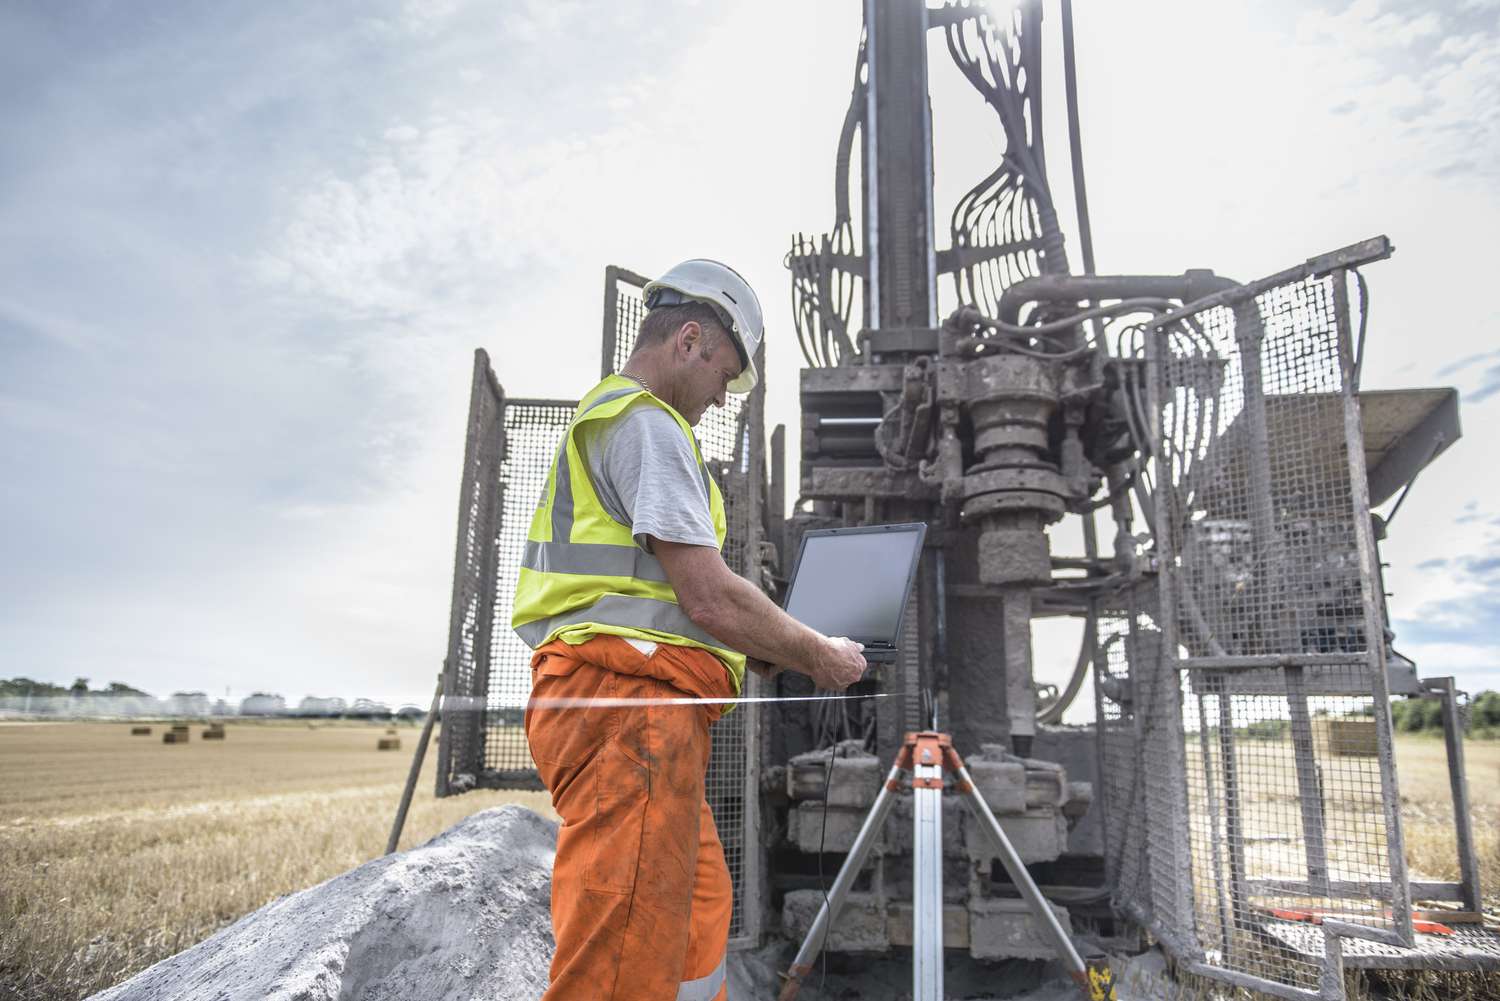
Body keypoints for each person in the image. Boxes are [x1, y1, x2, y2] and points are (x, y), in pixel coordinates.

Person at [512, 259, 868, 1000]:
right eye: (724, 376)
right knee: (618, 962)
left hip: (635, 710)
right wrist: (818, 652)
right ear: (691, 341)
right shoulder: (647, 426)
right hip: (626, 709)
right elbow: (706, 595)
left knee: (698, 912)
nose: (720, 398)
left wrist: (767, 651)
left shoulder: (626, 423)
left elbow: (669, 602)